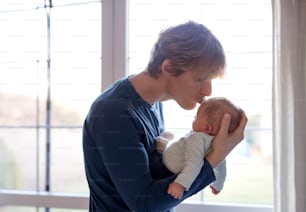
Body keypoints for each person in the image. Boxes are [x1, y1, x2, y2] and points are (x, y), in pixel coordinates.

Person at [82, 21, 248, 212]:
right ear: (168, 68)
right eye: (201, 79)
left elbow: (157, 178)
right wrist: (215, 157)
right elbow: (145, 204)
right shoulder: (112, 113)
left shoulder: (153, 104)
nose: (208, 90)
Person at [156, 97, 243, 200]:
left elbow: (194, 164)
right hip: (174, 164)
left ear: (207, 128)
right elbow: (221, 168)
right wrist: (218, 185)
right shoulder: (217, 147)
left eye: (196, 117)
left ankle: (162, 144)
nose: (194, 119)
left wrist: (180, 184)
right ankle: (164, 142)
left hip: (165, 168)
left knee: (154, 156)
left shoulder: (197, 138)